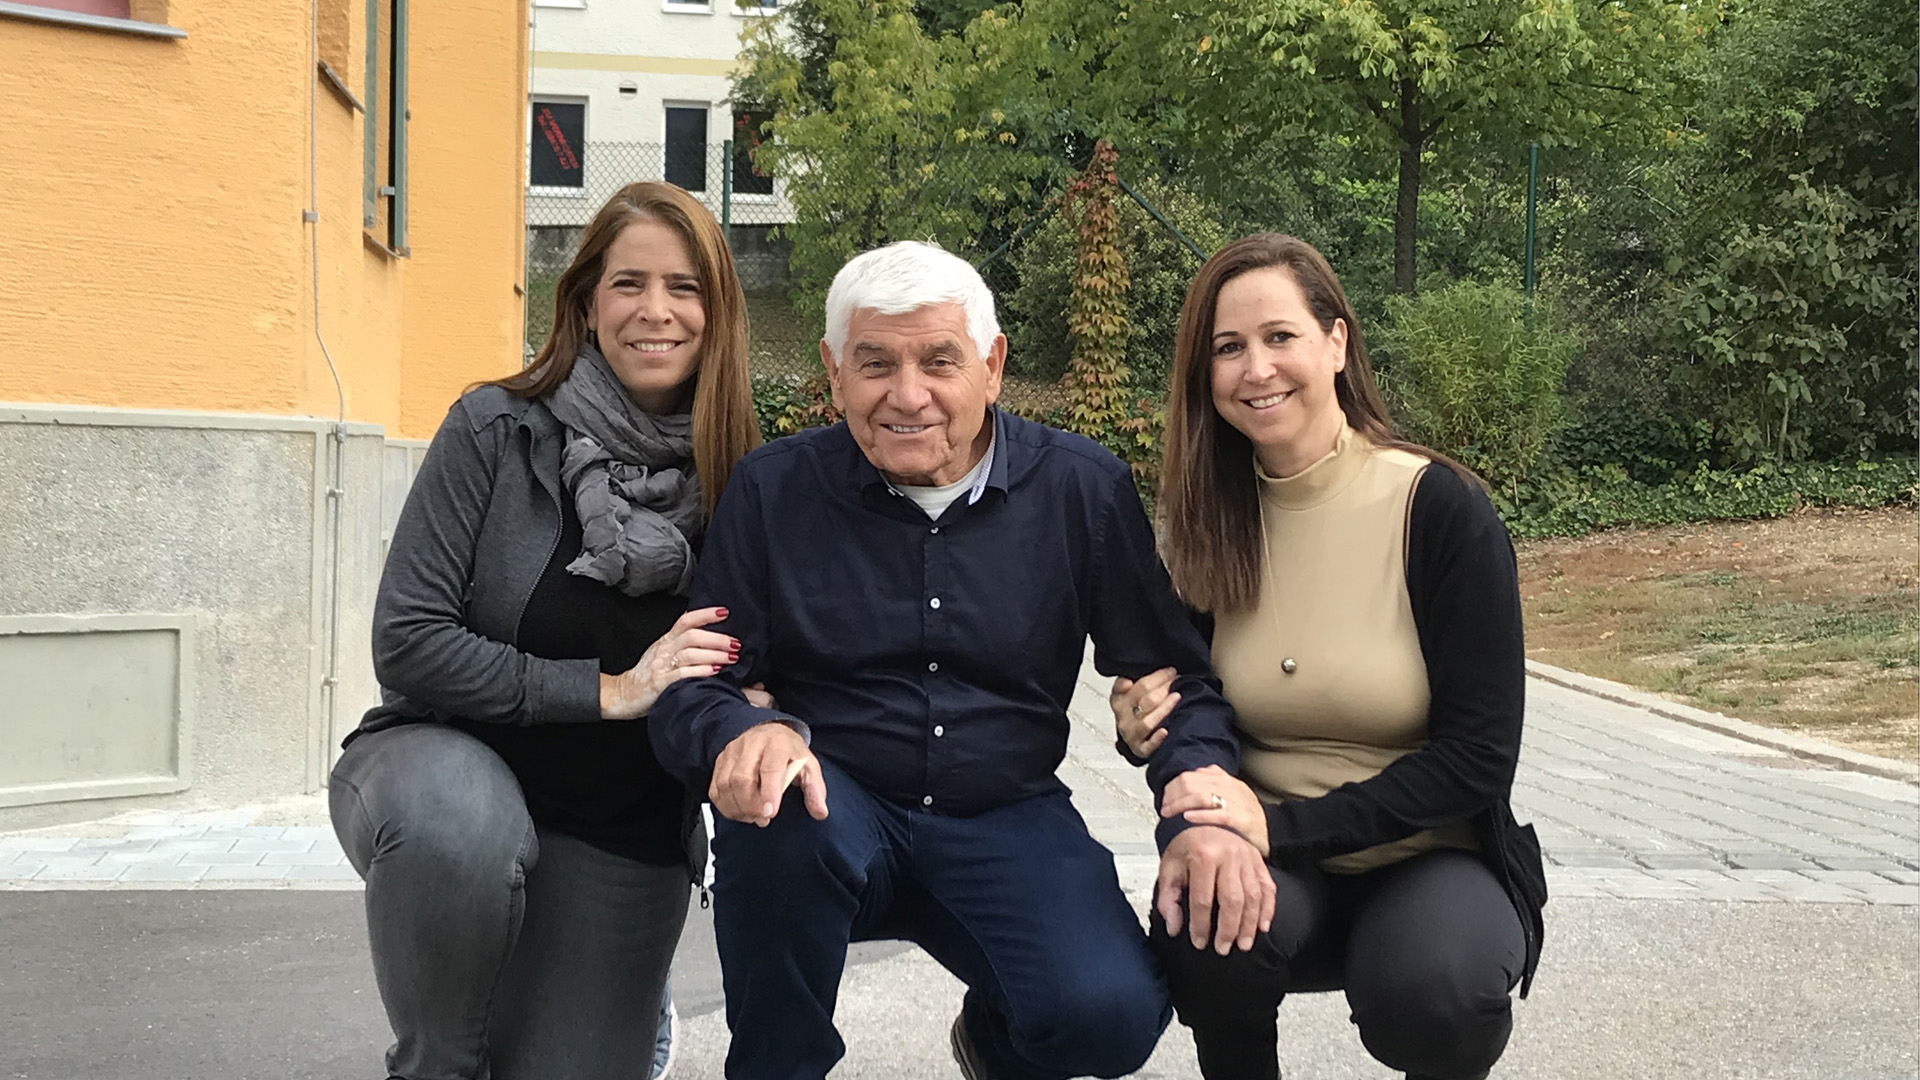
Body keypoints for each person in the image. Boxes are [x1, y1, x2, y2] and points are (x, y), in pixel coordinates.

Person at [648, 240, 1276, 1080]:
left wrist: (1196, 799)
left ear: (992, 365)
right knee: (777, 806)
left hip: (1004, 811)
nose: (908, 395)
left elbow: (1173, 679)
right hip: (836, 808)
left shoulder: (1080, 489)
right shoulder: (774, 490)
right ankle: (774, 1065)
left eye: (940, 361)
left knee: (1109, 1017)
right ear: (834, 372)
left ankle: (994, 1037)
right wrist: (734, 733)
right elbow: (698, 677)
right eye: (875, 364)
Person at [328, 180, 763, 1080]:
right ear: (586, 302)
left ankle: (621, 1009)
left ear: (717, 311)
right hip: (444, 764)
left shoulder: (747, 474)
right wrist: (608, 691)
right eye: (628, 283)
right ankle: (436, 1062)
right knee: (464, 833)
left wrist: (765, 702)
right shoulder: (496, 430)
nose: (656, 311)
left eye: (685, 288)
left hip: (621, 824)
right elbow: (408, 638)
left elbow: (775, 653)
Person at [1108, 233, 1548, 1080]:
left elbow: (1480, 760)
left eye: (1281, 337)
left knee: (1437, 991)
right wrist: (1141, 732)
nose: (1256, 368)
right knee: (1200, 924)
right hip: (1270, 863)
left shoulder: (1439, 508)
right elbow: (1191, 704)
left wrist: (1278, 825)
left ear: (1337, 343)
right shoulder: (1206, 524)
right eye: (1227, 348)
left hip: (1430, 855)